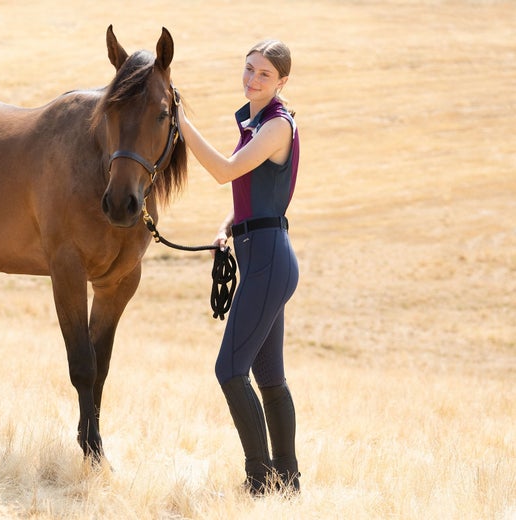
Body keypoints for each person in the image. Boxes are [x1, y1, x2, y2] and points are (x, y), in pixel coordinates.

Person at [177, 39, 301, 496]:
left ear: (282, 81)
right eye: (249, 69)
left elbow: (227, 171)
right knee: (269, 377)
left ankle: (260, 478)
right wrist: (227, 227)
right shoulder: (255, 123)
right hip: (260, 254)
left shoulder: (276, 126)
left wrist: (182, 124)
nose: (253, 79)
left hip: (269, 259)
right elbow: (256, 191)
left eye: (264, 74)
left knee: (230, 370)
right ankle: (287, 483)